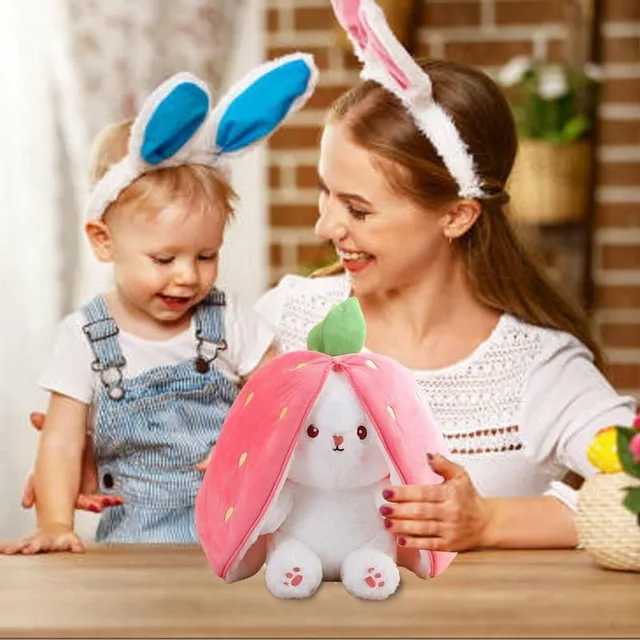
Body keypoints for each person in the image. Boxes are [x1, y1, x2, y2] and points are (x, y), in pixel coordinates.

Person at [252, 0, 636, 552]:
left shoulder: (536, 369)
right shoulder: (287, 322)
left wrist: (488, 522)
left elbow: (635, 488)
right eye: (325, 192)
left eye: (358, 210)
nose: (324, 226)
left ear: (456, 215)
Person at [2, 54, 318, 554]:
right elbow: (61, 442)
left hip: (240, 540)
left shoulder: (228, 320)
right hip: (134, 548)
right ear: (104, 241)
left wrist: (249, 443)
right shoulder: (84, 337)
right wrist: (56, 524)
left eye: (206, 255)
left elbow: (283, 395)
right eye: (164, 257)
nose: (188, 276)